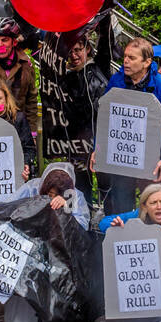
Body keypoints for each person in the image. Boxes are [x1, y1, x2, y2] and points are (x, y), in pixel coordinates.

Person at [98, 37, 161, 215]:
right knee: (121, 213)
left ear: (147, 62)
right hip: (122, 160)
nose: (125, 61)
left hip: (151, 163)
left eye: (132, 58)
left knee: (153, 213)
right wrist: (97, 148)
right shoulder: (117, 81)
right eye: (125, 56)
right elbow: (104, 118)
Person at [100, 183, 161, 289]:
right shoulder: (137, 216)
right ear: (144, 207)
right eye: (154, 203)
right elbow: (103, 223)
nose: (159, 207)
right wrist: (116, 226)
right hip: (142, 271)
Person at [62, 28, 108, 204]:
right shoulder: (64, 76)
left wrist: (105, 19)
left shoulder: (100, 67)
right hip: (77, 140)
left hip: (102, 136)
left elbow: (105, 45)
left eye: (78, 50)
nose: (74, 55)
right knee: (80, 186)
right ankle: (83, 223)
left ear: (87, 49)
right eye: (70, 51)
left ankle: (108, 222)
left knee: (106, 183)